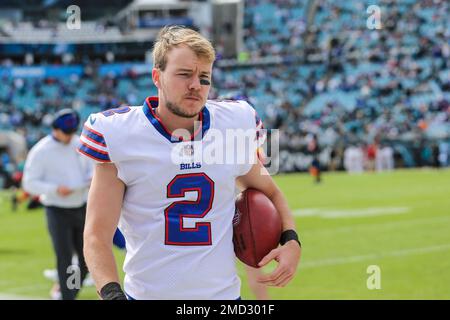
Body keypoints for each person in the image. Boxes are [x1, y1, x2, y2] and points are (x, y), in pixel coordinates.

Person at [79, 26, 301, 300]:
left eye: (204, 77)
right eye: (184, 74)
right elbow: (97, 235)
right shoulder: (120, 134)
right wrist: (112, 294)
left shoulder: (232, 124)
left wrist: (291, 240)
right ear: (157, 77)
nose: (196, 85)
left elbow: (271, 192)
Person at [22, 109, 93, 300]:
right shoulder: (41, 151)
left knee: (86, 260)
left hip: (81, 206)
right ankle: (68, 296)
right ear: (55, 129)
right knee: (65, 259)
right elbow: (29, 183)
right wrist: (55, 189)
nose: (69, 137)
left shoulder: (79, 143)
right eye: (65, 132)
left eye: (71, 132)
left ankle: (66, 292)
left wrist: (89, 180)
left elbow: (91, 169)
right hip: (57, 209)